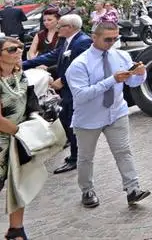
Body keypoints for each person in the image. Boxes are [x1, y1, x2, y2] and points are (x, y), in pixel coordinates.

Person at [66, 21, 151, 208]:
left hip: (116, 112)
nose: (112, 42)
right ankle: (87, 190)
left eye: (115, 38)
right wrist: (111, 80)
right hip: (89, 118)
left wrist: (140, 74)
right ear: (94, 37)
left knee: (123, 151)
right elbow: (80, 96)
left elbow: (133, 84)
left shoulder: (121, 56)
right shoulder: (79, 64)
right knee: (86, 157)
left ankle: (132, 189)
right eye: (107, 39)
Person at [21, 14, 92, 175]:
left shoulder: (83, 42)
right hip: (66, 91)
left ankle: (77, 158)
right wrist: (23, 64)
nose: (57, 28)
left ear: (71, 28)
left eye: (61, 26)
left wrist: (63, 80)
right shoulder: (68, 41)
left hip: (74, 91)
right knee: (66, 122)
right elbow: (53, 55)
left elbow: (81, 67)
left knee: (72, 124)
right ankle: (76, 155)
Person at [0, 36, 44, 240]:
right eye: (11, 50)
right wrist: (20, 131)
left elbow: (31, 100)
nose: (18, 51)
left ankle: (16, 230)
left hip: (19, 137)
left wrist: (36, 119)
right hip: (5, 140)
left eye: (20, 48)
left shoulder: (20, 75)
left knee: (19, 184)